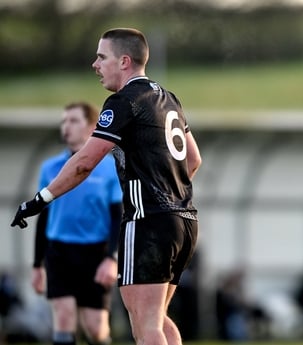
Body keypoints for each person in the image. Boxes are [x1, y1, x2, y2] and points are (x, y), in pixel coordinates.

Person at [11, 27, 202, 345]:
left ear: (124, 61)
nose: (94, 64)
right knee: (158, 319)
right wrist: (167, 191)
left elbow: (85, 161)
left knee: (146, 324)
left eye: (101, 57)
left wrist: (41, 198)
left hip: (148, 222)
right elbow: (193, 159)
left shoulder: (124, 101)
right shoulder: (168, 99)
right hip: (184, 220)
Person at [31, 102, 122, 345]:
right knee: (63, 316)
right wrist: (37, 264)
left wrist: (111, 258)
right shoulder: (50, 168)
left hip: (96, 253)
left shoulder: (109, 168)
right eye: (64, 121)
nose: (66, 126)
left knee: (95, 327)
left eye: (73, 121)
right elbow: (44, 216)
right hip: (59, 251)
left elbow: (118, 216)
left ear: (92, 127)